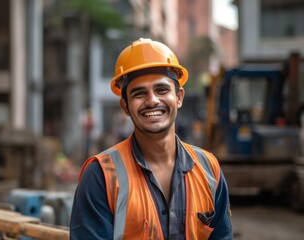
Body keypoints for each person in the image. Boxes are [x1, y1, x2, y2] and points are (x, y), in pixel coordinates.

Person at [70, 38, 233, 239]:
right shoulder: (101, 176)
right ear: (125, 107)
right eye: (139, 93)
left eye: (162, 90)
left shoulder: (209, 169)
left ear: (179, 97)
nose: (152, 100)